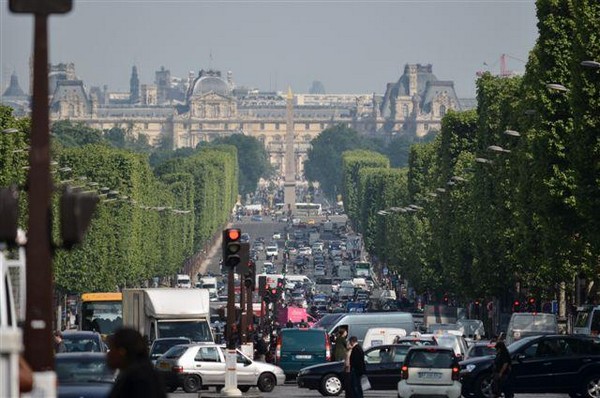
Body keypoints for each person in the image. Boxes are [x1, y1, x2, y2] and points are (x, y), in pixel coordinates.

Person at [106, 328, 166, 398]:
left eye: (111, 349)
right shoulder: (143, 373)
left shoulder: (137, 380)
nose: (108, 354)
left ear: (122, 352)